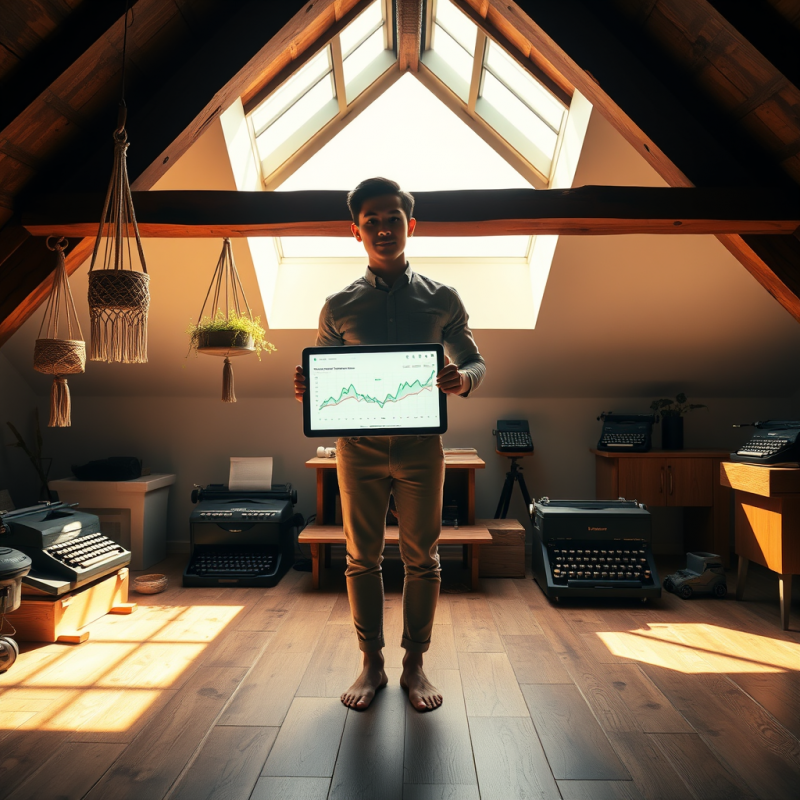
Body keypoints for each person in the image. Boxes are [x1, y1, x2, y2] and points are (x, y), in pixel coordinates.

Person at [294, 177, 485, 711]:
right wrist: (309, 388)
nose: (382, 228)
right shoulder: (337, 306)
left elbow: (475, 361)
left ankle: (415, 665)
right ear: (356, 231)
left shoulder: (443, 299)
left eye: (392, 218)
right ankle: (371, 663)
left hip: (424, 448)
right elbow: (325, 376)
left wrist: (462, 380)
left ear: (411, 225)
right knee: (362, 557)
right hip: (357, 449)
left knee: (423, 556)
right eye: (371, 220)